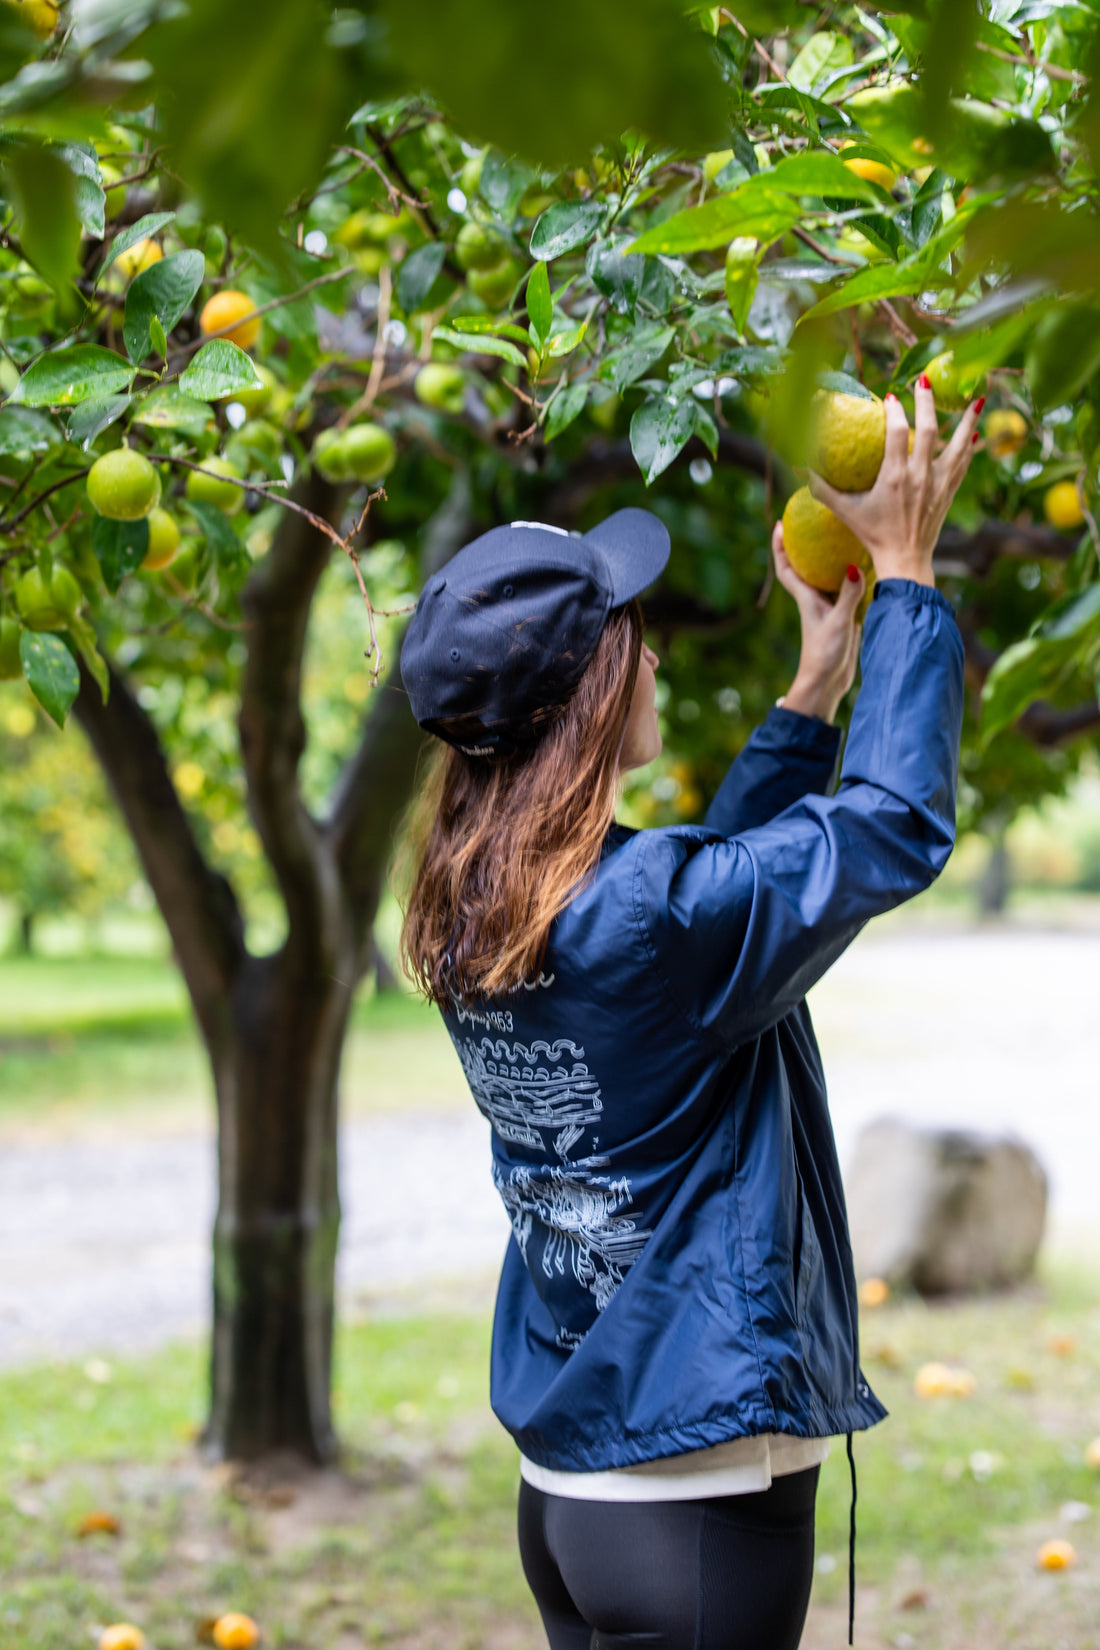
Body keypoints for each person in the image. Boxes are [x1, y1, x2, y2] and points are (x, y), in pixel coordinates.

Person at [397, 379, 983, 1650]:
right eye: (631, 634)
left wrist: (809, 696)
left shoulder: (473, 913)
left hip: (572, 1499)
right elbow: (889, 826)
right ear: (591, 692)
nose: (651, 652)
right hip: (696, 1499)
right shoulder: (647, 918)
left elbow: (691, 916)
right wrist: (908, 572)